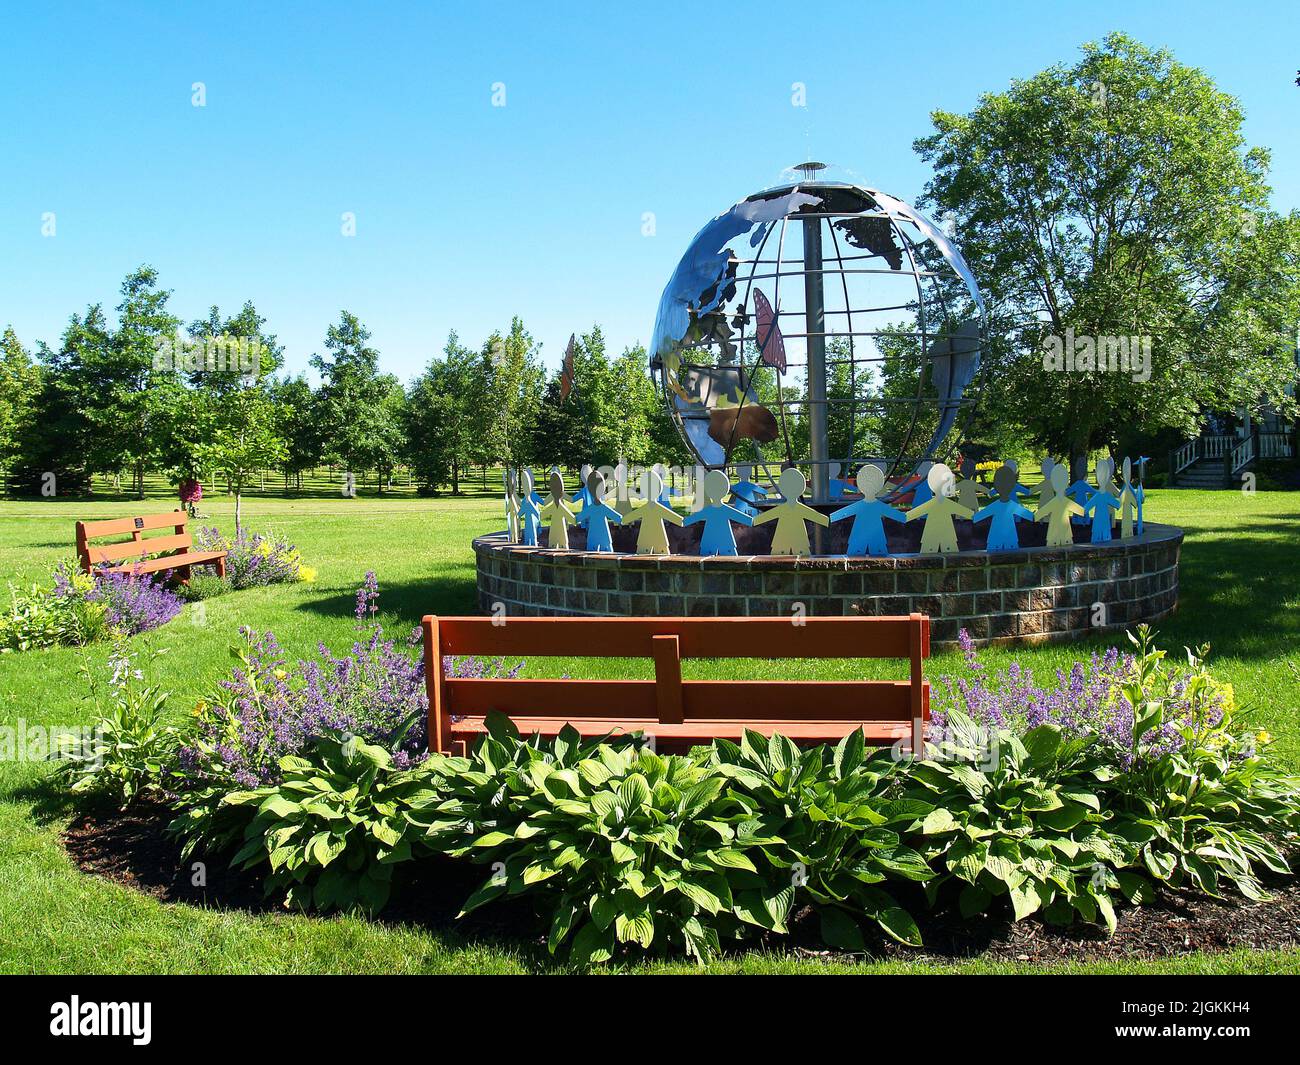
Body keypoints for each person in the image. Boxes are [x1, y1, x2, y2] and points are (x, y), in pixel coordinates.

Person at [829, 465, 905, 556]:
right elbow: (897, 515)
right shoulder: (876, 505)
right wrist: (906, 517)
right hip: (874, 535)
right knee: (875, 553)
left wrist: (830, 518)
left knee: (858, 554)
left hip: (860, 534)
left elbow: (845, 512)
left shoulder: (861, 506)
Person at [753, 467, 829, 556]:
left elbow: (768, 515)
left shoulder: (784, 509)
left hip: (784, 538)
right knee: (794, 553)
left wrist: (754, 521)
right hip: (796, 538)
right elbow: (816, 516)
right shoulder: (798, 508)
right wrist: (827, 520)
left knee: (787, 553)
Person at [906, 463, 972, 554]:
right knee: (951, 555)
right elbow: (970, 514)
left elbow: (908, 516)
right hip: (947, 536)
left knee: (928, 553)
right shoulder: (947, 504)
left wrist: (899, 516)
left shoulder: (930, 504)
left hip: (931, 535)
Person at [683, 469, 752, 556]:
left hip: (709, 540)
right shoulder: (724, 510)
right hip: (725, 541)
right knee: (730, 558)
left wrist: (683, 521)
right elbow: (747, 520)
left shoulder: (708, 510)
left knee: (707, 557)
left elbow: (688, 520)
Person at [972, 465, 1034, 551]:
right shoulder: (1013, 506)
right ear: (1012, 484)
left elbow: (976, 517)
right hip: (1011, 541)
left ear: (996, 486)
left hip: (994, 541)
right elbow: (1031, 516)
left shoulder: (994, 506)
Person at [626, 468, 685, 554]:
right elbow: (676, 493)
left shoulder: (648, 507)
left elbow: (637, 506)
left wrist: (623, 520)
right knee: (660, 547)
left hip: (645, 536)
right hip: (659, 536)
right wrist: (680, 521)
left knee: (646, 548)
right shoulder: (663, 490)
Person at [1035, 465, 1084, 546]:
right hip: (1066, 535)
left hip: (1053, 536)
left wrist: (1033, 516)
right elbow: (1081, 511)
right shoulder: (1066, 502)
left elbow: (1038, 515)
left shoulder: (1053, 502)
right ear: (1066, 483)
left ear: (1053, 484)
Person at [576, 469, 622, 552]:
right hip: (603, 538)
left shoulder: (591, 508)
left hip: (593, 538)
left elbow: (577, 518)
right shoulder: (602, 507)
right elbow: (618, 518)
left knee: (592, 548)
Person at [1082, 458, 1121, 544]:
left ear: (1097, 477)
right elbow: (1118, 504)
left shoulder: (1097, 496)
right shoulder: (1105, 496)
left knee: (1096, 540)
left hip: (1097, 526)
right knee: (1107, 540)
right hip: (1106, 526)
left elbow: (1085, 509)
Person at [540, 470, 579, 549]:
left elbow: (573, 520)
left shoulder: (561, 507)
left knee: (563, 544)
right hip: (553, 533)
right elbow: (541, 515)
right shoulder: (552, 507)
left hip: (562, 534)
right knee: (552, 543)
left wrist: (577, 519)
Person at [516, 469, 542, 546]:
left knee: (534, 527)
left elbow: (542, 503)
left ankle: (534, 540)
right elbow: (521, 509)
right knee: (528, 529)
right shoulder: (526, 498)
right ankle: (528, 541)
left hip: (534, 518)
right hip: (528, 518)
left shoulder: (533, 495)